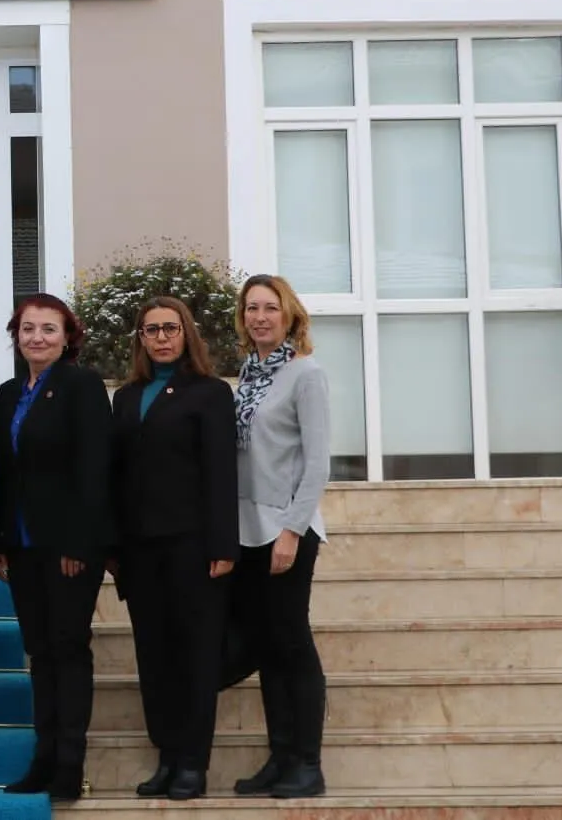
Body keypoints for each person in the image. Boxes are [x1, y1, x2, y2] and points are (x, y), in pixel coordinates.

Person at [108, 296, 238, 801]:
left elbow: (221, 473)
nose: (162, 337)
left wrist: (223, 543)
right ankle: (165, 756)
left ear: (186, 334)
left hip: (194, 546)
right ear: (140, 338)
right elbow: (116, 475)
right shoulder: (126, 396)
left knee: (196, 656)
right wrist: (114, 547)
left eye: (170, 328)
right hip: (140, 552)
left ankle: (192, 763)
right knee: (154, 656)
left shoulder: (209, 394)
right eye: (151, 330)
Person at [0, 294, 112, 803]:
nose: (37, 338)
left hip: (68, 546)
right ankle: (42, 759)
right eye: (28, 329)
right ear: (16, 335)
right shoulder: (7, 392)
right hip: (21, 545)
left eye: (49, 329)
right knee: (39, 652)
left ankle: (69, 763)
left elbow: (95, 466)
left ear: (67, 338)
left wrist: (81, 539)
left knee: (68, 649)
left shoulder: (81, 386)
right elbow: (0, 471)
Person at [230, 274, 331, 799]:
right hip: (247, 532)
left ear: (290, 316)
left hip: (286, 529)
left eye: (270, 308)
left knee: (292, 644)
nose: (260, 317)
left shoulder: (304, 374)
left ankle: (308, 764)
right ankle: (281, 755)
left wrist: (291, 531)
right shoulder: (247, 376)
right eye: (252, 308)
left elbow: (318, 463)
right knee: (267, 647)